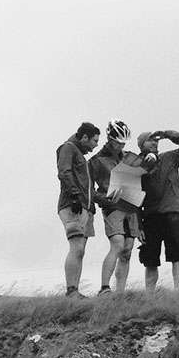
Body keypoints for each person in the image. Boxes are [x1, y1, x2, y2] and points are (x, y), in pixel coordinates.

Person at [90, 119, 145, 295]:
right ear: (109, 139)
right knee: (118, 244)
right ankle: (105, 288)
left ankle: (120, 292)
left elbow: (138, 183)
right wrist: (105, 199)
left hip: (131, 206)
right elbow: (89, 190)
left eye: (123, 143)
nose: (120, 146)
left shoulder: (129, 157)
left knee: (128, 249)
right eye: (117, 142)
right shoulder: (96, 161)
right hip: (112, 207)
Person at [137, 128, 179, 291]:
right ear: (141, 145)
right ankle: (149, 296)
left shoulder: (170, 158)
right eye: (150, 140)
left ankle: (177, 293)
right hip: (149, 217)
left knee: (177, 254)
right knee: (150, 259)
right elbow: (133, 197)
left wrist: (168, 134)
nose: (155, 142)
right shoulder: (136, 166)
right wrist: (138, 225)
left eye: (157, 140)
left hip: (171, 213)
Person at [56, 122, 100, 297]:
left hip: (86, 208)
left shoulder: (81, 156)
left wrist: (104, 200)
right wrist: (74, 195)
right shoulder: (68, 148)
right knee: (77, 247)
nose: (96, 145)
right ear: (84, 137)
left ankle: (75, 291)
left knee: (80, 249)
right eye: (94, 141)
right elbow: (64, 172)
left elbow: (88, 189)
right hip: (73, 205)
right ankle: (71, 290)